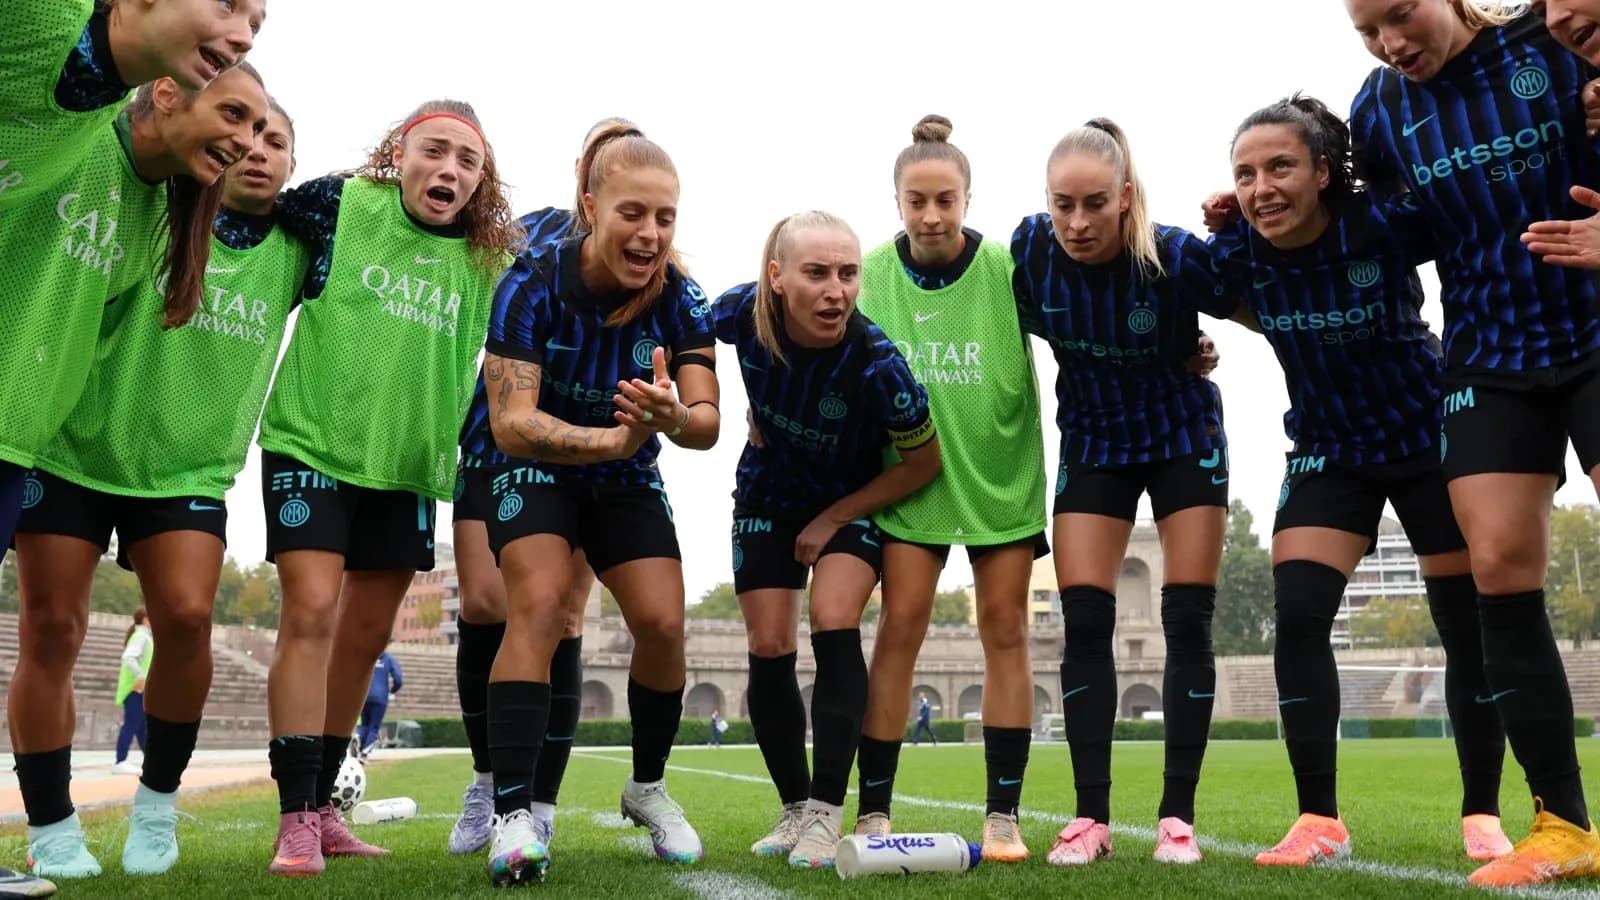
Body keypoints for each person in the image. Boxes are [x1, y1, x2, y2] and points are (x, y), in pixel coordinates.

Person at [1207, 93, 1508, 865]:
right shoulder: (1237, 253)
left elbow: (1472, 216)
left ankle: (1483, 810)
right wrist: (1188, 351)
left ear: (1320, 171)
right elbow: (1172, 289)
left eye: (1279, 166)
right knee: (1300, 613)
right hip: (1328, 448)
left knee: (1463, 630)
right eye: (1244, 174)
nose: (1260, 187)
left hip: (1427, 438)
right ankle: (1319, 819)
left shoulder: (1381, 225)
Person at [1343, 0, 1600, 886]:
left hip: (1597, 330)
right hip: (1489, 353)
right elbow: (1368, 217)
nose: (1392, 43)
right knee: (1496, 564)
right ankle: (1563, 826)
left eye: (1402, 15)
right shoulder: (1376, 110)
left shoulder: (1557, 43)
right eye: (1368, 30)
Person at [15, 94, 301, 879]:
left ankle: (156, 803)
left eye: (277, 140)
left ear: (294, 171)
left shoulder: (305, 245)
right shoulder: (153, 198)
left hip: (187, 470)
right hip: (72, 446)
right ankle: (49, 821)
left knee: (186, 615)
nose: (257, 148)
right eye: (243, 130)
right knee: (51, 631)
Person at [257, 98, 519, 877]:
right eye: (434, 151)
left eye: (466, 161)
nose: (448, 170)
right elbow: (241, 208)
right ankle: (293, 815)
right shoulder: (339, 206)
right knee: (309, 613)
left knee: (365, 641)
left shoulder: (490, 262)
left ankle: (325, 810)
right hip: (312, 444)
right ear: (399, 154)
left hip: (407, 469)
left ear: (481, 180)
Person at [478, 129, 720, 885]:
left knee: (662, 622)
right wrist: (612, 440)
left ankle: (647, 785)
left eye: (667, 218)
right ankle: (513, 814)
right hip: (537, 465)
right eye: (634, 213)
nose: (651, 234)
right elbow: (511, 423)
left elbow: (708, 424)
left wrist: (672, 418)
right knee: (541, 605)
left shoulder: (681, 296)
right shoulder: (530, 281)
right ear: (590, 206)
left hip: (625, 474)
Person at [1014, 117, 1230, 867]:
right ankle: (1090, 820)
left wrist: (1209, 338)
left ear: (1126, 198)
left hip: (1182, 435)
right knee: (1083, 625)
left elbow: (1268, 299)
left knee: (1188, 620)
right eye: (1062, 204)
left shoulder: (1171, 254)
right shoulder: (1029, 250)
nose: (1076, 222)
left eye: (1094, 204)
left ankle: (1178, 820)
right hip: (1095, 440)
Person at [851, 116, 1048, 865]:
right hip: (910, 481)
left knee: (1006, 632)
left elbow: (1079, 326)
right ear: (897, 200)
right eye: (916, 201)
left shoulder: (1005, 268)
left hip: (1001, 476)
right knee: (900, 629)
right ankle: (873, 809)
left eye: (945, 200)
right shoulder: (869, 273)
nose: (931, 215)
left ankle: (1003, 814)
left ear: (967, 198)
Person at [717, 211, 940, 870]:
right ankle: (791, 811)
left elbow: (923, 464)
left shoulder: (876, 363)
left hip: (853, 505)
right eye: (817, 273)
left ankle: (825, 812)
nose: (836, 290)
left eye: (847, 274)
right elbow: (678, 328)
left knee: (834, 617)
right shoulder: (740, 314)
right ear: (777, 278)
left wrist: (834, 517)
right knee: (767, 643)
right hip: (767, 495)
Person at [448, 118, 641, 859]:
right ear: (583, 173)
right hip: (496, 440)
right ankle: (488, 779)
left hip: (586, 460)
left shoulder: (647, 261)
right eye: (602, 156)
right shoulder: (528, 236)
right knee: (485, 602)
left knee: (560, 615)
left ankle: (542, 801)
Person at [0, 0, 265, 214]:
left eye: (254, 27)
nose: (246, 40)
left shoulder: (108, 103)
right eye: (226, 4)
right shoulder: (45, 9)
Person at [113, 609, 154, 776]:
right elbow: (128, 657)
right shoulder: (141, 637)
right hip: (134, 687)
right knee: (131, 724)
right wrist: (140, 676)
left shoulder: (144, 637)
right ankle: (120, 761)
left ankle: (151, 761)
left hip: (139, 688)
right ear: (145, 620)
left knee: (142, 726)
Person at [359, 651, 403, 756]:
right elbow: (398, 679)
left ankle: (358, 738)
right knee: (374, 726)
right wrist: (392, 691)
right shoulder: (388, 659)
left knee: (365, 724)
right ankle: (365, 753)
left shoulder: (367, 656)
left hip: (364, 696)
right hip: (380, 697)